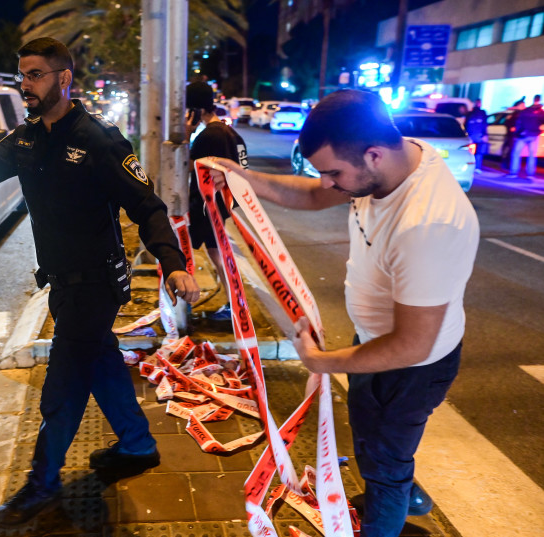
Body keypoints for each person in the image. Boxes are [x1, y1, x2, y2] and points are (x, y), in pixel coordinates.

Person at [0, 37, 199, 527]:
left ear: (64, 78)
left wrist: (174, 262)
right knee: (100, 362)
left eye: (35, 75)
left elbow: (147, 205)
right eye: (22, 77)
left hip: (96, 284)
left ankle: (42, 485)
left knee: (62, 389)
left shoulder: (100, 140)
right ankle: (139, 446)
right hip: (61, 280)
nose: (25, 85)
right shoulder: (29, 136)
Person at [206, 89, 479, 537]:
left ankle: (388, 504)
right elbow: (314, 195)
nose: (329, 184)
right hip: (374, 342)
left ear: (373, 155)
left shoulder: (429, 223)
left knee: (386, 463)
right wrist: (244, 178)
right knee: (371, 438)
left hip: (411, 366)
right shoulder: (391, 162)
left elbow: (412, 345)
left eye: (334, 173)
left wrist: (319, 361)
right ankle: (390, 490)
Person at [185, 80, 248, 320]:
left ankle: (183, 305)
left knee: (180, 249)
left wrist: (186, 133)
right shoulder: (230, 132)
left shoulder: (208, 135)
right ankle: (236, 304)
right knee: (217, 253)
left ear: (195, 110)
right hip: (222, 204)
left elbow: (184, 166)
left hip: (205, 206)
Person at [509, 94, 544, 178]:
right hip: (533, 135)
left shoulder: (526, 110)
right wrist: (539, 130)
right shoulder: (541, 112)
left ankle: (513, 172)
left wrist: (517, 133)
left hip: (523, 135)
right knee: (532, 154)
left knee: (516, 153)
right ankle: (530, 174)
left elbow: (519, 122)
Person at [464, 99, 488, 172]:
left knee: (472, 152)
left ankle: (473, 166)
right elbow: (484, 125)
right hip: (478, 135)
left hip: (472, 135)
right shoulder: (482, 113)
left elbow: (466, 125)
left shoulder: (470, 113)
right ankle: (476, 167)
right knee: (478, 152)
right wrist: (485, 134)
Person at [501, 98, 526, 169]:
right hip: (512, 136)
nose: (524, 106)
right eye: (522, 105)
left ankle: (510, 166)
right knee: (510, 151)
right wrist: (511, 127)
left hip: (516, 135)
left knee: (513, 151)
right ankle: (508, 166)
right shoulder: (515, 114)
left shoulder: (521, 113)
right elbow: (508, 123)